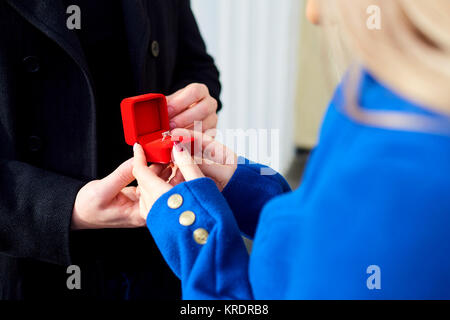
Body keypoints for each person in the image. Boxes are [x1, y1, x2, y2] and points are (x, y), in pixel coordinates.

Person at [133, 0, 450, 299]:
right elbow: (326, 233)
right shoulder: (366, 94)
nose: (314, 13)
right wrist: (247, 187)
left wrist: (194, 231)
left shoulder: (395, 158)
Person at [0, 0, 220, 299]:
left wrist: (196, 105)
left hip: (159, 243)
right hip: (39, 263)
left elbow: (196, 65)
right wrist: (65, 207)